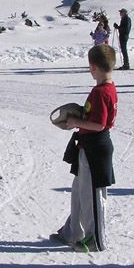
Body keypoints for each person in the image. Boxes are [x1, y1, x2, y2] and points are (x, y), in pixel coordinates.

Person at [51, 44, 117, 252]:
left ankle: (95, 239)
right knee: (79, 191)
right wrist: (80, 115)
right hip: (88, 147)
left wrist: (74, 122)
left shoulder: (101, 92)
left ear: (93, 67)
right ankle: (73, 231)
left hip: (96, 148)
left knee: (92, 195)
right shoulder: (106, 88)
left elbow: (99, 124)